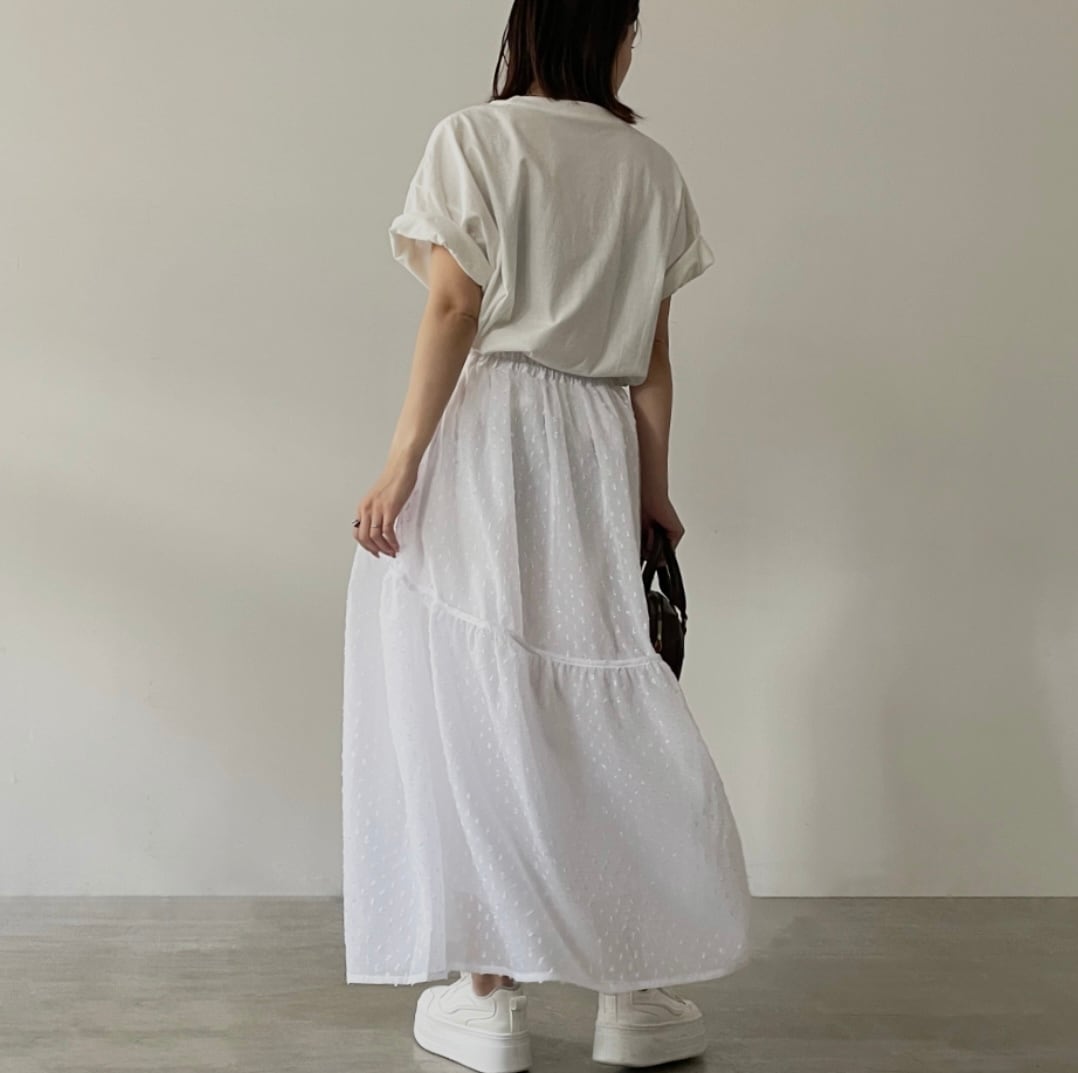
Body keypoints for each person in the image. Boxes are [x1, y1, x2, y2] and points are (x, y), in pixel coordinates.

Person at [342, 2, 753, 1069]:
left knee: (478, 695)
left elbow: (453, 310)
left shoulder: (473, 139)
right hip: (594, 442)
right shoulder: (650, 169)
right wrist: (652, 491)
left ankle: (488, 997)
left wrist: (401, 462)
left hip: (490, 439)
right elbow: (652, 356)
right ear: (605, 37)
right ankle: (632, 990)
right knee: (604, 693)